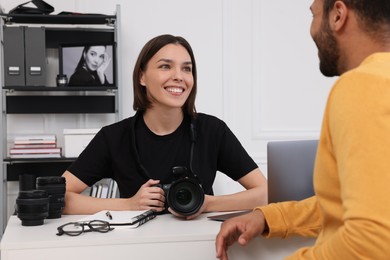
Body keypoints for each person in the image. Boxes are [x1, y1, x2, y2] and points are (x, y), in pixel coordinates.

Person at [216, 0, 390, 259]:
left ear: (338, 16)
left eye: (314, 15)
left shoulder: (363, 84)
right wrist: (269, 216)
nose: (311, 30)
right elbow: (361, 204)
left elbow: (371, 240)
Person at [62, 34, 268, 219]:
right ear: (142, 76)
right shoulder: (114, 137)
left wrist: (207, 203)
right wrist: (129, 204)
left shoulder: (212, 130)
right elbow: (60, 198)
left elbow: (266, 192)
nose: (179, 76)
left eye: (187, 68)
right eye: (165, 66)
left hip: (201, 244)